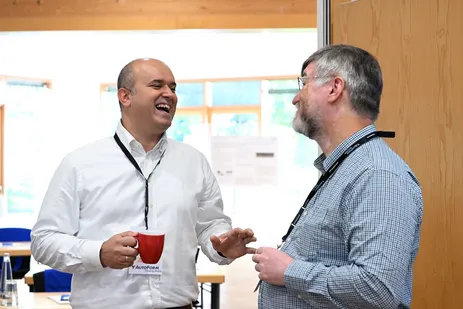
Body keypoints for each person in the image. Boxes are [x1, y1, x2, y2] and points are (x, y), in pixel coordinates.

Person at [31, 58, 256, 309]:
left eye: (173, 87)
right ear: (125, 97)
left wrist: (222, 244)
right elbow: (43, 241)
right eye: (157, 85)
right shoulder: (79, 164)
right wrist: (99, 253)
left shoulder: (194, 162)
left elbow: (209, 224)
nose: (169, 94)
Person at [252, 44, 423, 309]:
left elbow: (377, 288)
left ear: (335, 88)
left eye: (304, 83)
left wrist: (289, 271)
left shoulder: (377, 175)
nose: (295, 98)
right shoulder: (347, 167)